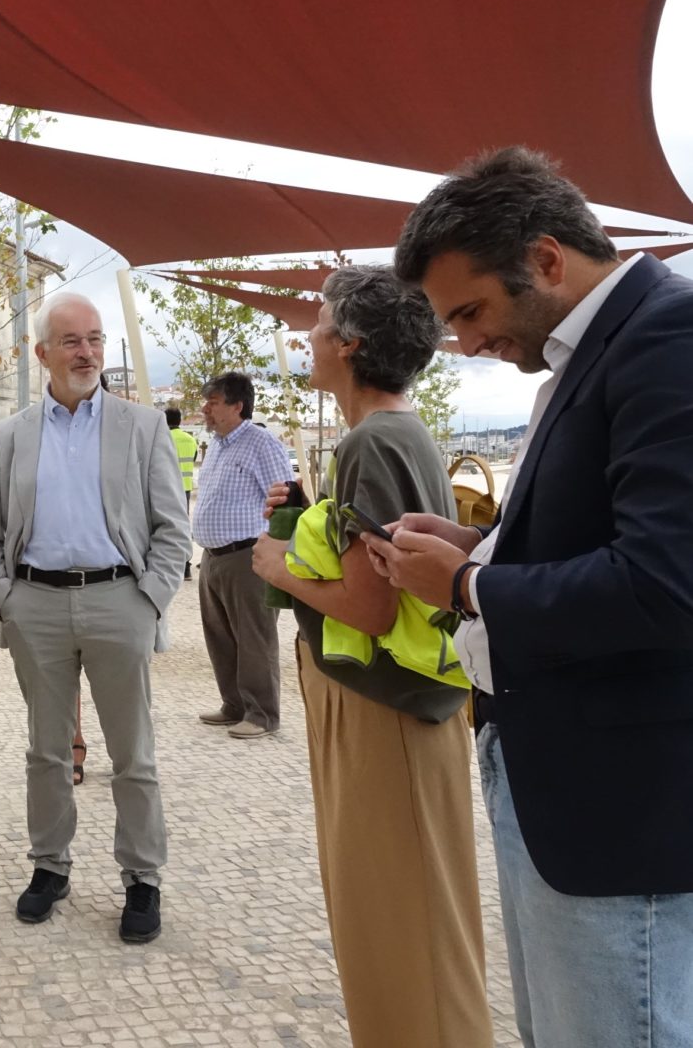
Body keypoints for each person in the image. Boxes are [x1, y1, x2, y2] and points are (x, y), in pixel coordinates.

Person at [368, 147, 693, 1048]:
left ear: (547, 259)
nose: (465, 342)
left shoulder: (668, 336)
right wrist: (480, 544)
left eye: (470, 311)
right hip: (561, 784)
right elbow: (601, 538)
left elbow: (666, 585)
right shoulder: (594, 349)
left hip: (619, 814)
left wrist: (470, 584)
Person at [248, 267, 493, 1046]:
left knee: (399, 929)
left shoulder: (372, 442)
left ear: (348, 344)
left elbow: (372, 605)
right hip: (391, 711)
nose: (307, 337)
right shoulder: (395, 433)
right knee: (407, 922)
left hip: (383, 716)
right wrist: (310, 518)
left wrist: (278, 567)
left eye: (318, 325)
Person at [0, 292, 189, 944]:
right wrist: (6, 600)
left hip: (120, 601)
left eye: (94, 338)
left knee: (133, 754)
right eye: (72, 341)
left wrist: (147, 602)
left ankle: (142, 879)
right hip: (34, 606)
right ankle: (49, 866)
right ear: (41, 355)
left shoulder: (141, 427)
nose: (87, 352)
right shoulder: (9, 437)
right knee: (45, 751)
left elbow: (172, 530)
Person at [192, 372, 293, 738]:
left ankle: (262, 714)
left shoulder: (261, 443)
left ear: (237, 405)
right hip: (213, 557)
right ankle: (234, 705)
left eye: (213, 402)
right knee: (219, 635)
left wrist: (276, 554)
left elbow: (285, 500)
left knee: (254, 636)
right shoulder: (217, 444)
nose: (205, 408)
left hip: (246, 556)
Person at [166, 407, 197, 580]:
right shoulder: (190, 439)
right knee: (183, 527)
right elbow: (192, 460)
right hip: (185, 488)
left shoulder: (163, 437)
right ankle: (186, 568)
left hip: (167, 488)